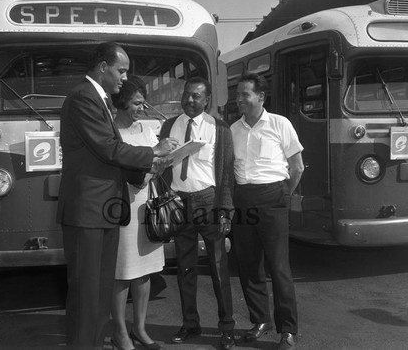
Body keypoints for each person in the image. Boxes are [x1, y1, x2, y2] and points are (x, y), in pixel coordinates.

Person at [57, 42, 176, 350]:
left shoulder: (98, 99)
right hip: (89, 211)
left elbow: (107, 156)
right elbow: (108, 148)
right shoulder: (84, 97)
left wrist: (151, 163)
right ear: (102, 68)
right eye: (121, 70)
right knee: (87, 294)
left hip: (101, 210)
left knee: (97, 293)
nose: (125, 77)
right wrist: (154, 151)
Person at [159, 77, 236, 350]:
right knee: (185, 268)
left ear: (207, 101)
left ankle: (227, 328)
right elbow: (161, 166)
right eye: (187, 95)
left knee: (218, 269)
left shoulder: (220, 128)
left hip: (209, 202)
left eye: (196, 96)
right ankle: (190, 323)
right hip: (180, 204)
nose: (190, 100)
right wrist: (165, 192)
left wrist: (225, 210)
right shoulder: (170, 126)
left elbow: (226, 173)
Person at [230, 73, 304, 350]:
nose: (239, 100)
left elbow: (297, 166)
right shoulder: (233, 129)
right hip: (243, 199)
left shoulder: (279, 124)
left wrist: (285, 195)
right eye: (237, 95)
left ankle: (288, 330)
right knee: (248, 265)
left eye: (244, 95)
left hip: (273, 197)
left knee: (278, 267)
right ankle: (260, 320)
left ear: (261, 97)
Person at [110, 77, 166, 350]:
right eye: (136, 103)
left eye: (143, 103)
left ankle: (139, 328)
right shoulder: (110, 131)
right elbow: (117, 165)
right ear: (121, 102)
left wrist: (165, 160)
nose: (141, 109)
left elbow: (156, 160)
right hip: (122, 206)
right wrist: (150, 167)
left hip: (147, 204)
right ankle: (120, 333)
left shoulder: (145, 129)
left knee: (145, 271)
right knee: (122, 272)